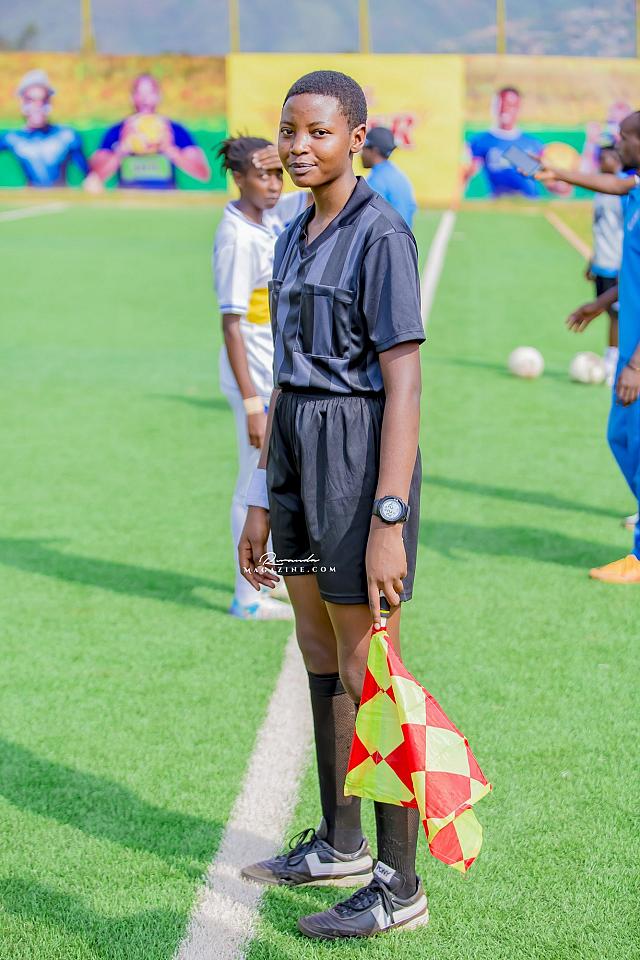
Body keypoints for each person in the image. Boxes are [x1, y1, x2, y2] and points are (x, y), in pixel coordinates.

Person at [239, 71, 428, 938]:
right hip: (296, 453)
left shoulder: (381, 232)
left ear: (356, 137)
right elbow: (284, 368)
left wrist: (388, 518)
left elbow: (404, 382)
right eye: (289, 131)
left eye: (318, 131)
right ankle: (340, 844)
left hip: (355, 459)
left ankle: (400, 883)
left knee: (368, 662)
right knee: (317, 644)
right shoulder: (290, 231)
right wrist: (262, 497)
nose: (298, 146)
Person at [536, 112, 640, 582]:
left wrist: (634, 366)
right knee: (621, 438)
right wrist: (600, 303)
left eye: (625, 138)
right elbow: (614, 185)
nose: (618, 145)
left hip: (638, 357)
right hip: (630, 341)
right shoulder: (634, 189)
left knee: (634, 443)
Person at [213, 136, 307, 620]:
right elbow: (231, 325)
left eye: (277, 174)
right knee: (253, 485)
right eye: (262, 175)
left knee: (276, 481)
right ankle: (247, 598)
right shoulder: (237, 237)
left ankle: (268, 578)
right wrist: (253, 403)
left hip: (274, 377)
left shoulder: (267, 216)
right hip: (252, 381)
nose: (273, 184)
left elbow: (313, 190)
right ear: (239, 178)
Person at [90, 73, 210, 190]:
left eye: (150, 93)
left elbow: (203, 174)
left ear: (159, 97)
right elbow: (93, 178)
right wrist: (122, 150)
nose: (145, 98)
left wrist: (171, 151)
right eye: (140, 93)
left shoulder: (175, 130)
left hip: (165, 198)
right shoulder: (117, 131)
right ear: (132, 97)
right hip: (129, 198)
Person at [0, 69, 93, 188]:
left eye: (43, 100)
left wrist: (92, 182)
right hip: (30, 196)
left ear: (50, 102)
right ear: (22, 102)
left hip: (60, 195)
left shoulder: (67, 136)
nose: (37, 106)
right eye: (31, 100)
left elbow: (89, 176)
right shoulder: (13, 138)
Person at [585, 141, 624, 385]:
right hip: (602, 262)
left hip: (617, 264)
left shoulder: (622, 191)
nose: (602, 162)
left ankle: (614, 362)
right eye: (600, 158)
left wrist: (625, 267)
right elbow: (600, 229)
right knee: (609, 313)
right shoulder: (600, 190)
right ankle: (612, 357)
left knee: (617, 315)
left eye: (606, 157)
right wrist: (592, 260)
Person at [467, 86, 543, 198]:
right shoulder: (480, 141)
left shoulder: (532, 143)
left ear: (518, 108)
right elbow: (466, 173)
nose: (504, 109)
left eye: (510, 105)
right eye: (500, 104)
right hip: (498, 203)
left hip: (529, 203)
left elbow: (548, 181)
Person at [361, 126, 417, 228]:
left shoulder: (376, 181)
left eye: (364, 148)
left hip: (388, 236)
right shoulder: (398, 175)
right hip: (403, 235)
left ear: (374, 151)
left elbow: (368, 220)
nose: (361, 153)